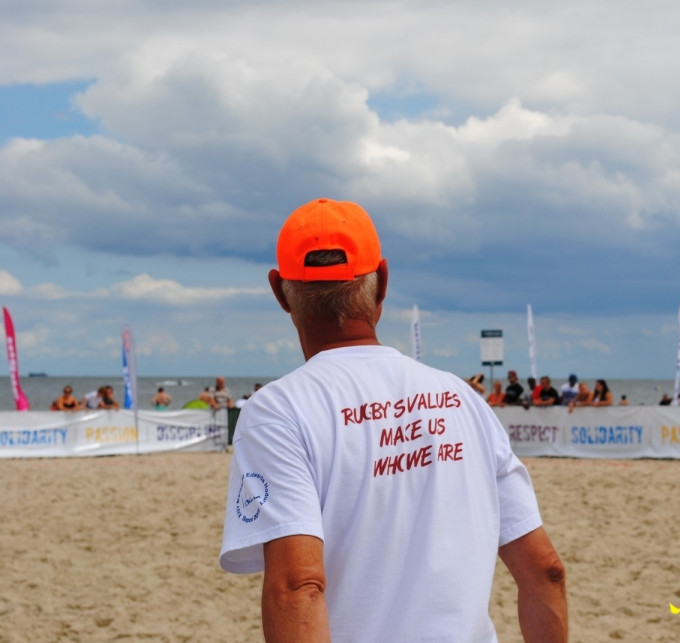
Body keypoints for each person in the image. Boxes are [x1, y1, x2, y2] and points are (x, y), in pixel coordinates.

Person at [219, 198, 566, 642]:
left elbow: (297, 587)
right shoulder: (462, 398)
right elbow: (544, 570)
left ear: (279, 292)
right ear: (382, 282)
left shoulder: (278, 410)